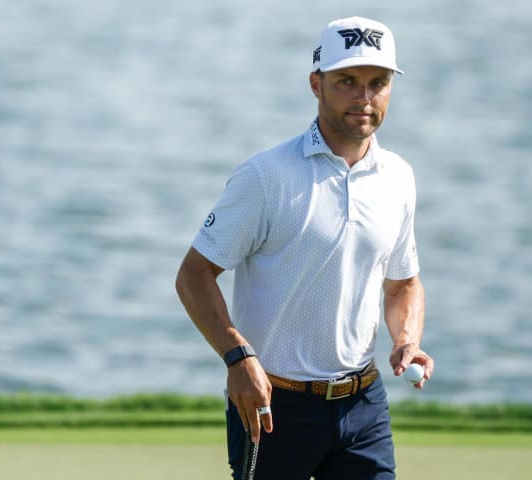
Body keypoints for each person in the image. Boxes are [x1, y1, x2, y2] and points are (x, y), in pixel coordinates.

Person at [175, 16, 433, 480]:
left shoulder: (399, 177)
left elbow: (403, 283)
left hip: (363, 403)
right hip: (273, 404)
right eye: (347, 81)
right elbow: (194, 274)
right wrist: (237, 356)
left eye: (378, 83)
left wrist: (406, 341)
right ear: (317, 84)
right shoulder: (266, 176)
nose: (364, 97)